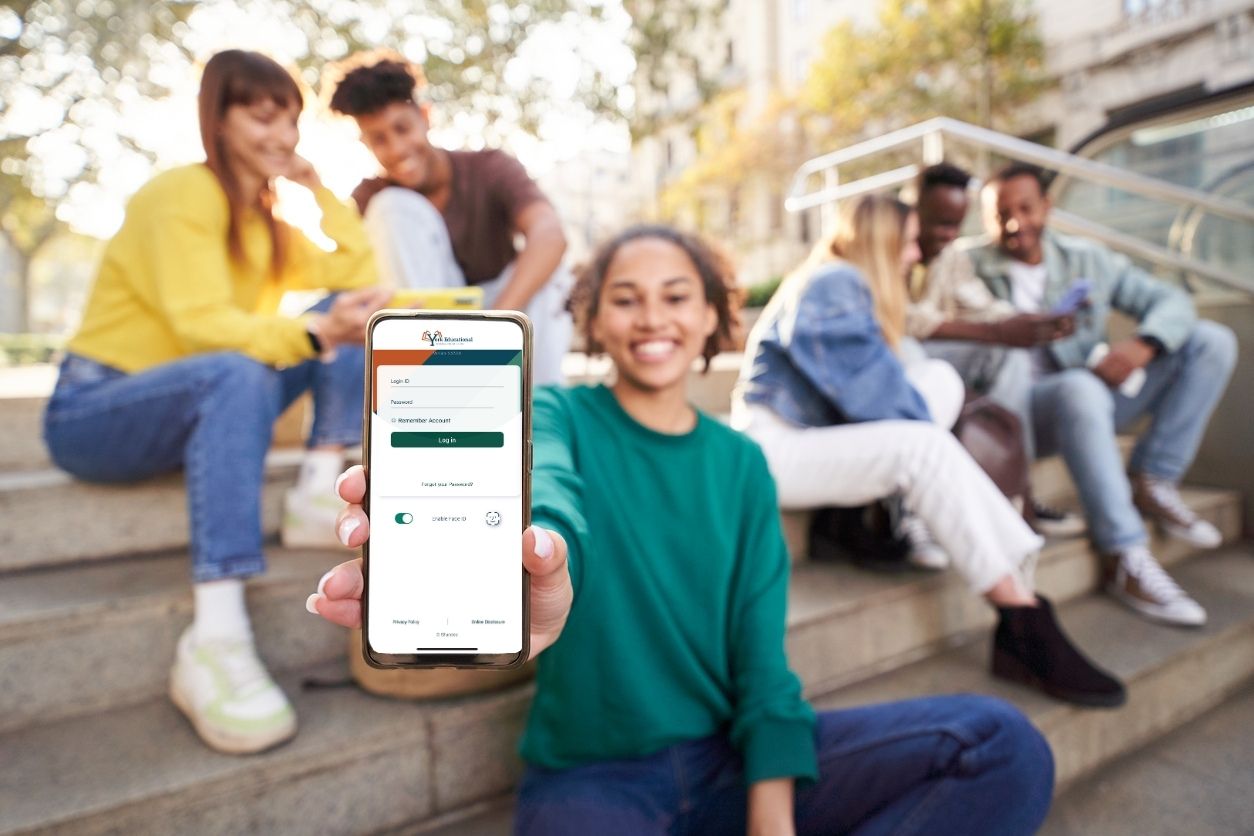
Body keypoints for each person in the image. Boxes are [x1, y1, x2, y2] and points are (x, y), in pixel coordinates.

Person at [308, 224, 1056, 834]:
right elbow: (547, 488)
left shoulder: (742, 465)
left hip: (726, 758)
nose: (652, 318)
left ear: (709, 315)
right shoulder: (558, 415)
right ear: (594, 318)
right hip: (594, 780)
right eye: (625, 299)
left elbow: (762, 658)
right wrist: (547, 554)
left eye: (675, 296)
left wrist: (772, 815)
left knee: (1002, 745)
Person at [42, 50, 390, 755]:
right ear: (218, 118)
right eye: (262, 116)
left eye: (291, 120)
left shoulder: (264, 224)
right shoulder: (181, 195)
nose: (282, 135)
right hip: (97, 408)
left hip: (206, 399)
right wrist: (315, 330)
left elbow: (357, 272)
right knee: (245, 365)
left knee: (349, 311)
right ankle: (217, 635)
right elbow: (196, 322)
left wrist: (317, 188)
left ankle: (319, 488)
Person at [733, 194, 1126, 709]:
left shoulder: (844, 286)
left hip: (803, 441)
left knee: (934, 389)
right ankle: (1020, 615)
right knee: (925, 439)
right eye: (910, 241)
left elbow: (876, 396)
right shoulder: (835, 282)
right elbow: (878, 402)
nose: (916, 254)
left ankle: (1013, 601)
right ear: (882, 240)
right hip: (772, 450)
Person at [970, 163, 1238, 628]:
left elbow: (1173, 303)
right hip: (1021, 415)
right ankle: (1124, 553)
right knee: (1080, 388)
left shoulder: (1087, 259)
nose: (1015, 223)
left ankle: (1154, 477)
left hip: (1092, 400)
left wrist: (1142, 344)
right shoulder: (969, 267)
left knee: (1211, 342)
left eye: (1026, 208)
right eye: (1001, 213)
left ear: (1047, 207)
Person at [324, 50, 573, 385]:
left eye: (402, 128)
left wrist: (494, 326)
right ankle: (437, 385)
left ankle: (538, 411)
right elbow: (337, 274)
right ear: (365, 144)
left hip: (502, 309)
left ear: (426, 116)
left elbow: (550, 234)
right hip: (431, 331)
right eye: (379, 139)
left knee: (549, 272)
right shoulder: (373, 198)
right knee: (392, 206)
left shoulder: (489, 167)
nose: (396, 148)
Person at [907, 162, 1084, 538]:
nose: (947, 234)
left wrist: (1031, 322)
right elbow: (900, 321)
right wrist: (996, 332)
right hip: (898, 363)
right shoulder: (887, 242)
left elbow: (982, 305)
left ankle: (1017, 491)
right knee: (981, 346)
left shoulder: (951, 255)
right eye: (939, 222)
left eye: (956, 225)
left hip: (933, 362)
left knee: (1012, 350)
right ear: (914, 207)